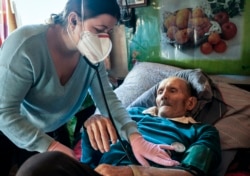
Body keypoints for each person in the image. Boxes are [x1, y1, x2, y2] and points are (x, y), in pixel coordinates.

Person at [0, 0, 178, 175]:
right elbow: (4, 112)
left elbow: (108, 100)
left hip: (55, 126)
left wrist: (135, 137)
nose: (103, 39)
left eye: (108, 32)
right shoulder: (25, 46)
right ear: (73, 20)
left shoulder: (90, 55)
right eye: (99, 30)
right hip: (14, 127)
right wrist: (49, 145)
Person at [16, 76, 221, 176]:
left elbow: (192, 173)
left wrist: (132, 172)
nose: (163, 95)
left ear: (191, 103)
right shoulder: (129, 115)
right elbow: (89, 161)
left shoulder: (202, 131)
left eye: (173, 90)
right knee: (38, 166)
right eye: (159, 92)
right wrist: (91, 126)